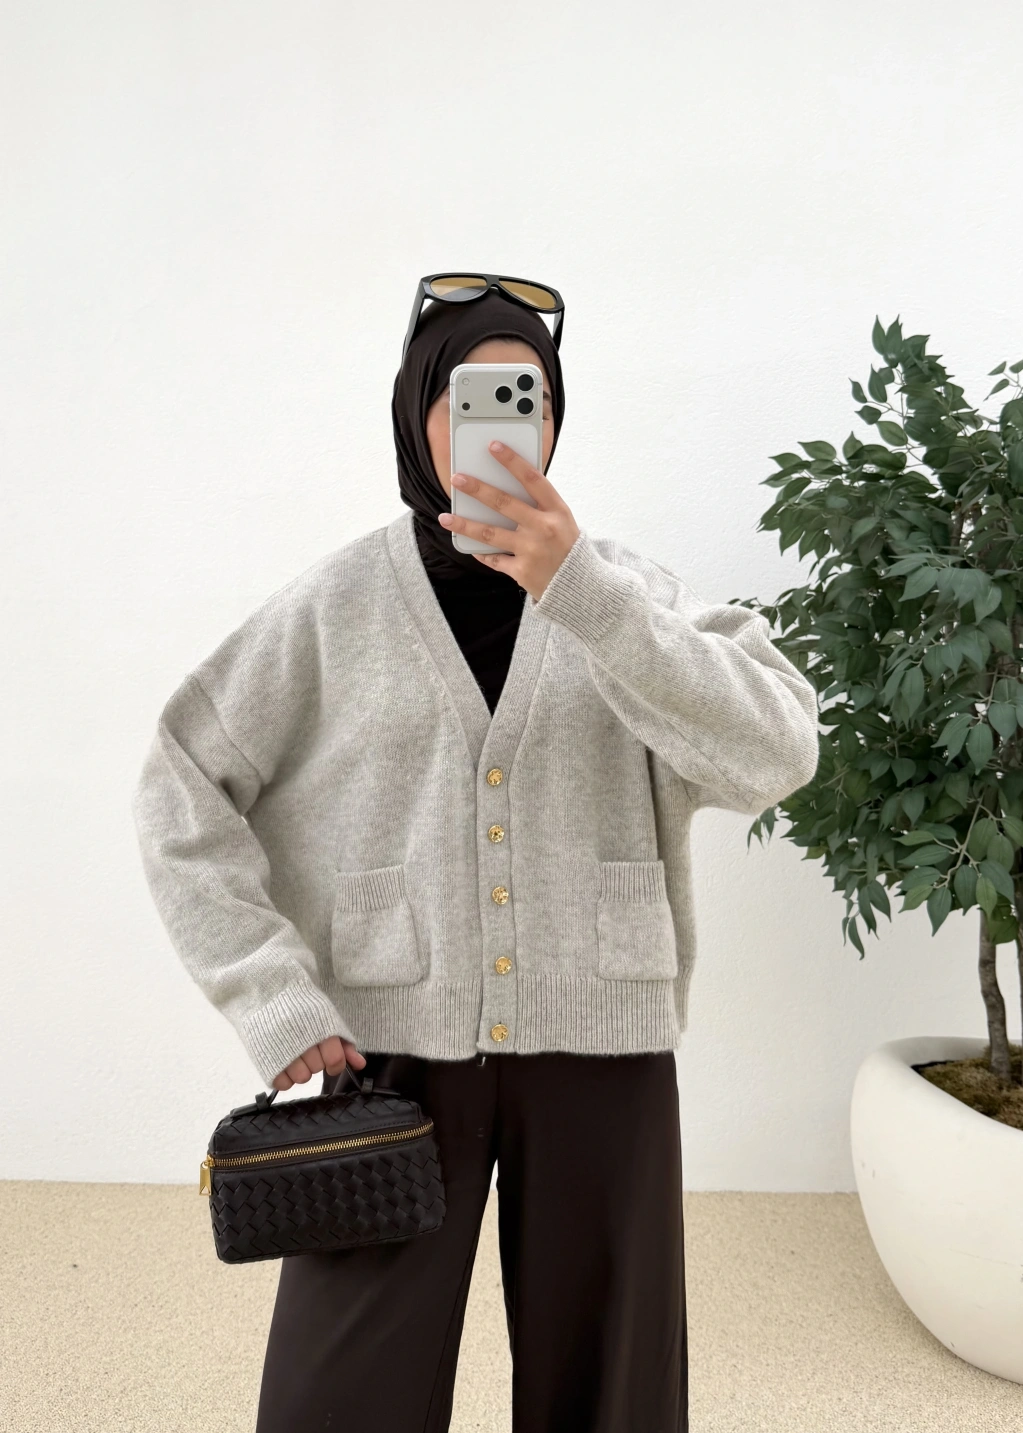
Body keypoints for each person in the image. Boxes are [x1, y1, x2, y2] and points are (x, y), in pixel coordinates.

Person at [132, 275, 820, 1432]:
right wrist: (271, 992)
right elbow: (181, 775)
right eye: (471, 398)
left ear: (554, 421)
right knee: (341, 1395)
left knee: (611, 1389)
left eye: (527, 399)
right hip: (388, 1053)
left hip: (603, 1045)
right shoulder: (337, 606)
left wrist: (580, 593)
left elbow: (780, 750)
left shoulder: (626, 593)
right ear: (419, 415)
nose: (504, 426)